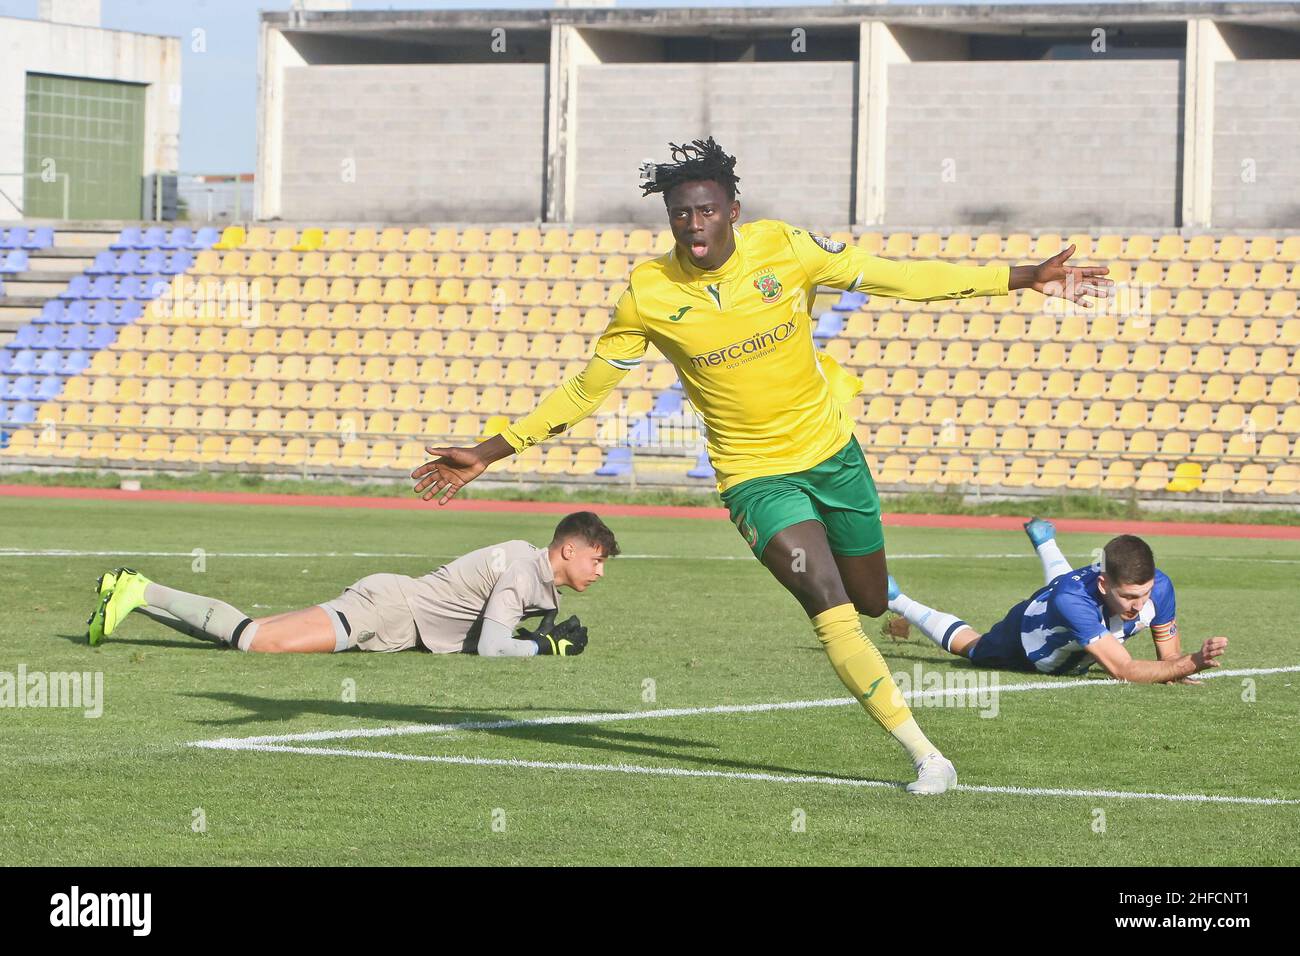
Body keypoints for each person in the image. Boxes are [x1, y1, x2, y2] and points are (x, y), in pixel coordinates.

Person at [410, 137, 1112, 793]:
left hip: (833, 458)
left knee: (870, 598)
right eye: (680, 213)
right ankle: (928, 756)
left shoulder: (785, 248)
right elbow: (585, 390)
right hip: (754, 477)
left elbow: (897, 276)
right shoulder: (648, 294)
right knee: (830, 607)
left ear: (733, 212)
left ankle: (887, 600)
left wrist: (1022, 277)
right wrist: (489, 450)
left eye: (706, 209)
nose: (693, 224)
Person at [85, 511, 616, 657]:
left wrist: (537, 638)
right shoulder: (524, 571)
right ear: (568, 549)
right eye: (596, 559)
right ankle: (140, 589)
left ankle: (133, 593)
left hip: (389, 607)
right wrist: (542, 649)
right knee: (257, 640)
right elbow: (495, 646)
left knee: (249, 632)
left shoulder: (527, 562)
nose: (599, 570)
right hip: (385, 612)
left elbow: (489, 632)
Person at [886, 518, 1228, 682]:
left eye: (1145, 594)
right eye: (1128, 597)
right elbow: (1122, 669)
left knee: (1069, 593)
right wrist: (1193, 661)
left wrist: (1176, 667)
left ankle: (1044, 540)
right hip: (1028, 635)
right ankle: (898, 599)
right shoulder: (1074, 600)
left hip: (1071, 597)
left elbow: (1168, 658)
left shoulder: (1161, 587)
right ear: (1105, 584)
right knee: (973, 648)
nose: (1139, 606)